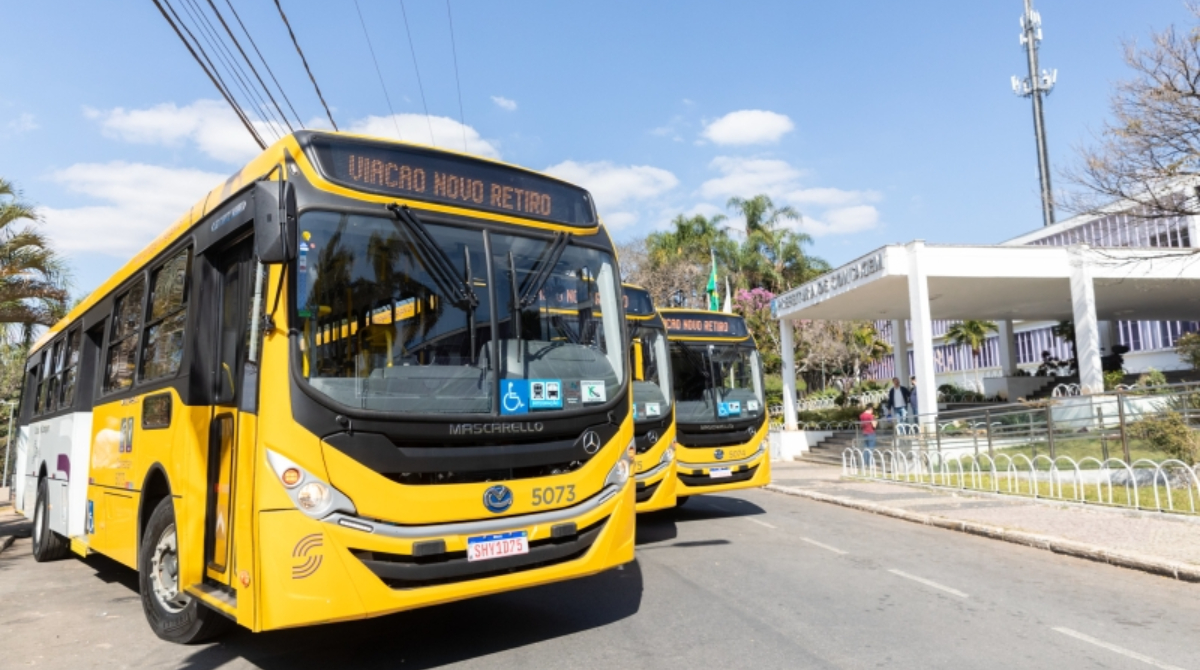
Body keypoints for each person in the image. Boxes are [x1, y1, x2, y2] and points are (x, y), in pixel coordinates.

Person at [859, 404, 877, 468]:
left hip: (864, 433)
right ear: (871, 409)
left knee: (865, 449)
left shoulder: (861, 415)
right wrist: (875, 420)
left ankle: (865, 463)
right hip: (871, 433)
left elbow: (861, 425)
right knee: (871, 448)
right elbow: (874, 425)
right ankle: (870, 464)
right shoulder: (871, 416)